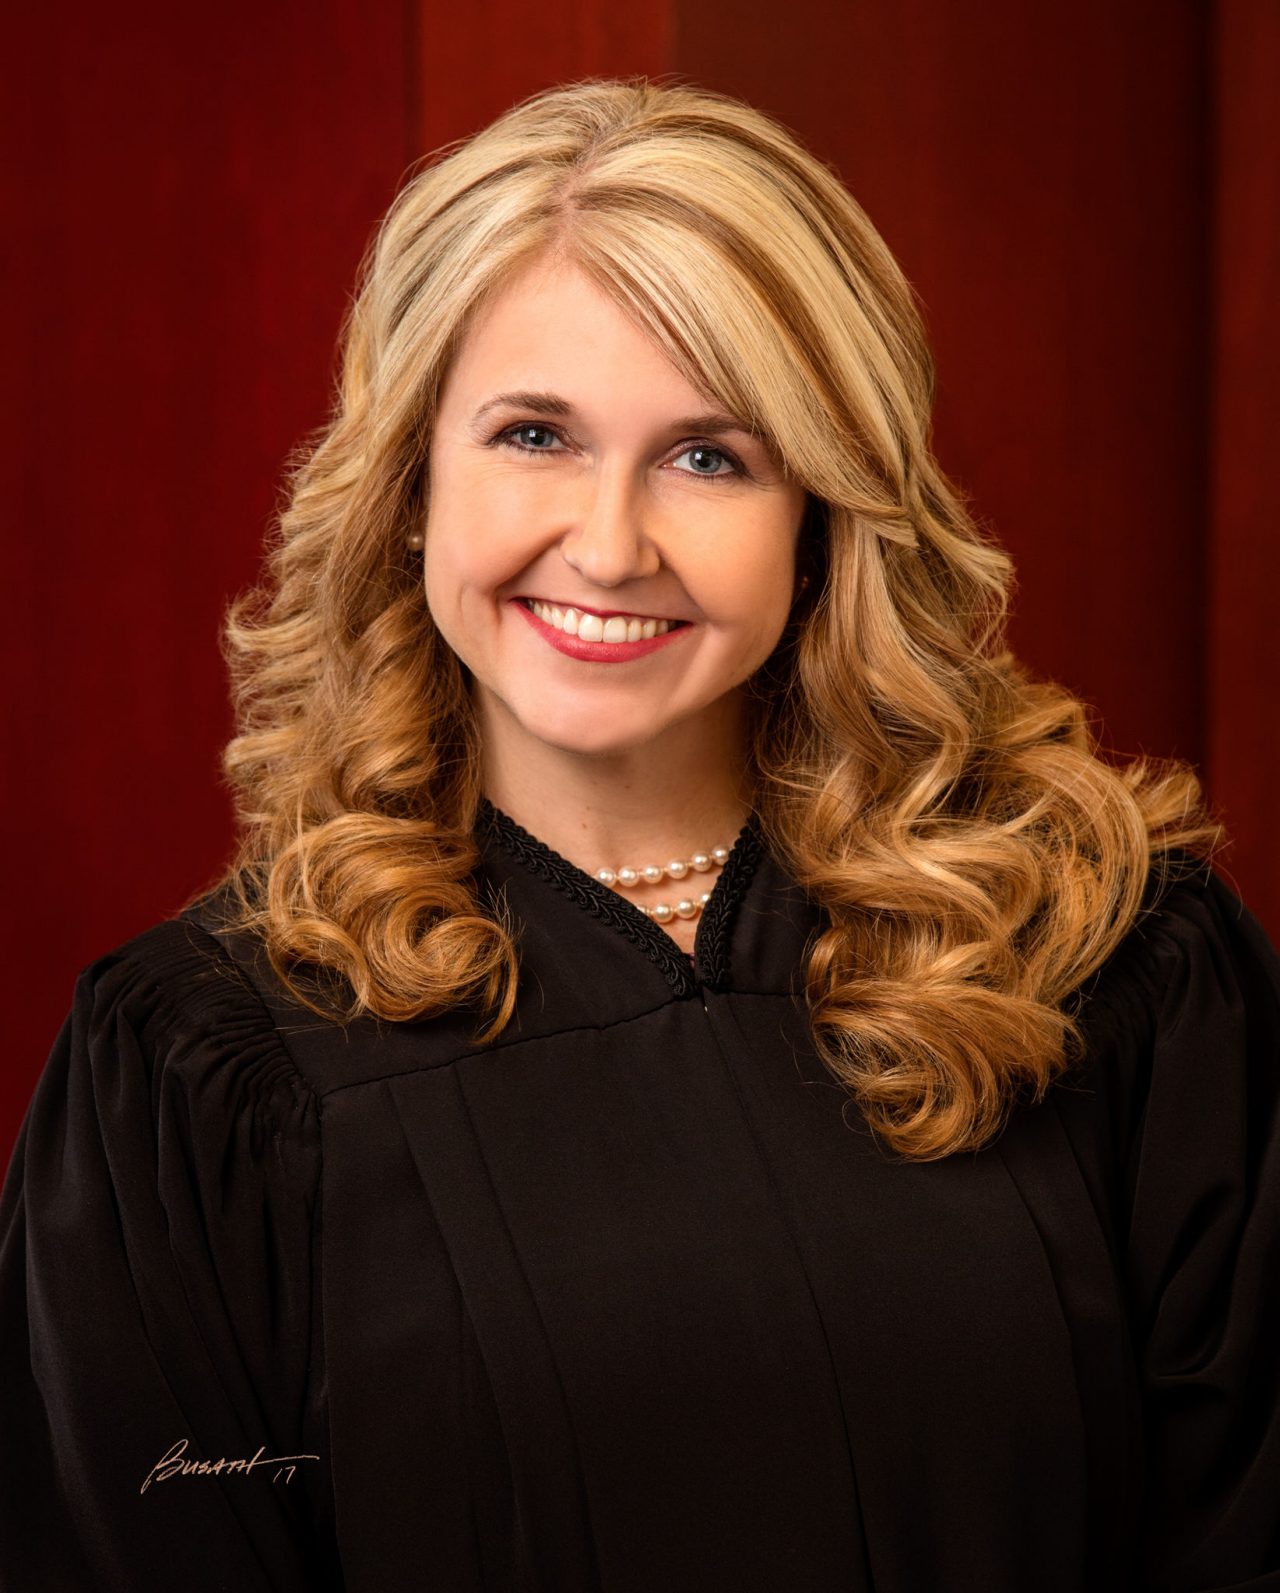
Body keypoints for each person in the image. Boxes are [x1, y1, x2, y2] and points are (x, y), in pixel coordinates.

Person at [1, 74, 1277, 1593]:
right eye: (534, 433)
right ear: (411, 481)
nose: (608, 547)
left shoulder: (1110, 962)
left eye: (708, 456)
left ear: (822, 518)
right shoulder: (192, 1078)